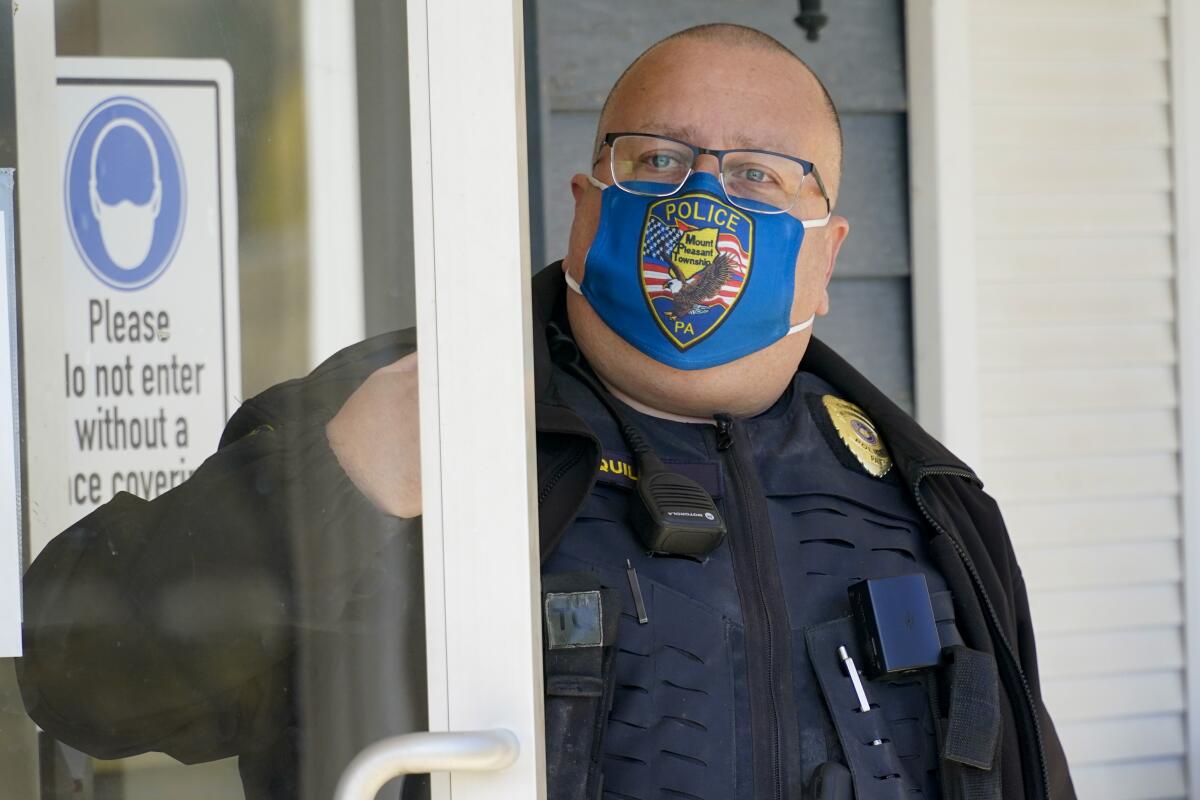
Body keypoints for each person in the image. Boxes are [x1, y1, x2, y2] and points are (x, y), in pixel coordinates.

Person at [17, 23, 1075, 800]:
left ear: (829, 253)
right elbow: (88, 681)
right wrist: (328, 491)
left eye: (758, 175)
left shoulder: (924, 503)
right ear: (584, 205)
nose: (699, 204)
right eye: (656, 159)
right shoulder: (412, 413)